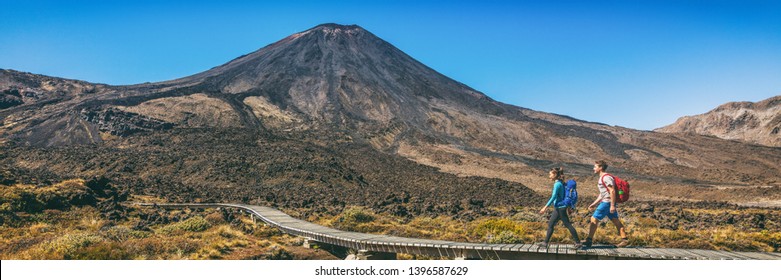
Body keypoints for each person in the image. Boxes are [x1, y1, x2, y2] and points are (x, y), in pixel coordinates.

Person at [582, 160, 629, 248]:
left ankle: (589, 240)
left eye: (595, 167)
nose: (593, 168)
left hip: (607, 203)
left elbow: (612, 191)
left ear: (600, 168)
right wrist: (594, 203)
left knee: (594, 219)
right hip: (607, 202)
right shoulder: (602, 178)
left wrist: (611, 205)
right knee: (615, 220)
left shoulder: (606, 177)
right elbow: (603, 193)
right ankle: (624, 240)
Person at [537, 167, 581, 249]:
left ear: (555, 174)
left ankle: (578, 243)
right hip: (559, 207)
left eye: (550, 174)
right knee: (551, 224)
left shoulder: (557, 184)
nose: (549, 176)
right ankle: (545, 242)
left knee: (567, 224)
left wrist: (545, 207)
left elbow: (553, 197)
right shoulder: (560, 183)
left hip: (560, 208)